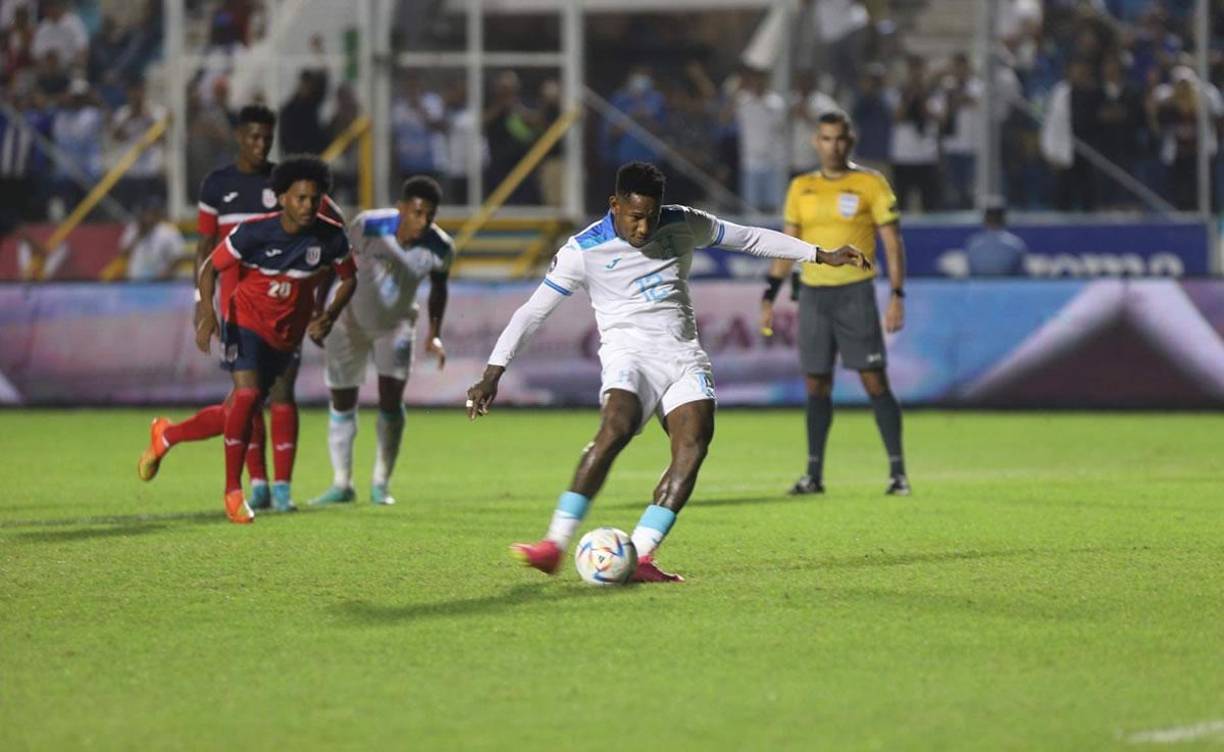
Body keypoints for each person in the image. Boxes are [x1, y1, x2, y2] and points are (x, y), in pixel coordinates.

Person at [466, 161, 869, 582]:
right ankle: (554, 544)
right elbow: (532, 313)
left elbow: (748, 238)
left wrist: (819, 254)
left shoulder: (683, 222)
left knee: (693, 445)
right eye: (635, 217)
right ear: (615, 205)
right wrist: (493, 372)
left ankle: (640, 556)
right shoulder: (582, 251)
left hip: (683, 356)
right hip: (628, 356)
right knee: (615, 429)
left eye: (651, 216)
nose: (644, 228)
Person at [136, 107, 342, 513]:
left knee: (268, 395)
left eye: (267, 137)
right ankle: (256, 485)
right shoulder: (217, 185)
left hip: (285, 308)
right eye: (253, 137)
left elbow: (331, 231)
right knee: (246, 399)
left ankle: (275, 486)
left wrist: (319, 302)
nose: (261, 144)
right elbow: (204, 249)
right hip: (238, 305)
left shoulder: (289, 183)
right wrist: (202, 304)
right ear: (238, 137)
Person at [760, 111, 911, 497]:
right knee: (816, 383)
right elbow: (787, 244)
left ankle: (897, 472)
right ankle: (814, 475)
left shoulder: (870, 183)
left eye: (840, 139)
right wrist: (770, 292)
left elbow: (892, 243)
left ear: (851, 141)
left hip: (855, 292)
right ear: (816, 142)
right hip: (812, 294)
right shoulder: (801, 187)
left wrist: (896, 295)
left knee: (874, 380)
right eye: (826, 139)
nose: (833, 146)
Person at [310, 176, 452, 507]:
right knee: (342, 398)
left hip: (397, 326)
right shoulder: (367, 226)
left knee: (391, 400)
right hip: (348, 322)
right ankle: (342, 483)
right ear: (401, 208)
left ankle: (380, 483)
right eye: (417, 212)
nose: (423, 221)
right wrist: (320, 310)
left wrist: (434, 333)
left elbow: (439, 288)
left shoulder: (441, 246)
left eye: (429, 215)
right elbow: (336, 265)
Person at [116, 197, 188, 281]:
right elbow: (123, 254)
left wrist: (166, 273)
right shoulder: (133, 229)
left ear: (158, 213)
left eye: (152, 212)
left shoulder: (169, 231)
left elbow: (179, 256)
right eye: (146, 212)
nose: (149, 216)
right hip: (135, 281)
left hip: (161, 283)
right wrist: (138, 235)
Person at [964, 198, 1028, 276]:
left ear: (985, 220)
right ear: (1004, 220)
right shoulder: (1015, 245)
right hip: (1006, 286)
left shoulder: (973, 244)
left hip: (981, 287)